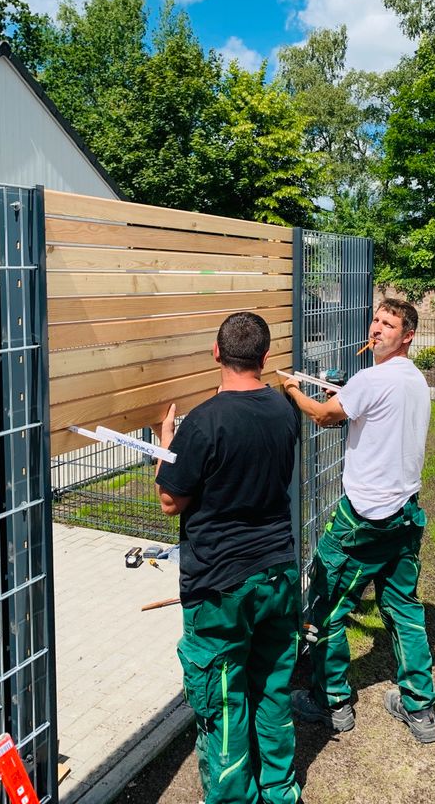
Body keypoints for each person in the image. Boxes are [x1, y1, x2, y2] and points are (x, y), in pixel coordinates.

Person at [154, 311, 303, 804]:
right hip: (278, 575)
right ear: (264, 358)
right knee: (273, 686)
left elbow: (170, 500)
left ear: (216, 353)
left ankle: (234, 798)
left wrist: (167, 448)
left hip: (220, 589)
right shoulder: (285, 410)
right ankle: (280, 789)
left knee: (222, 699)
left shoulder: (202, 422)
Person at [283, 297, 435, 744]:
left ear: (407, 335)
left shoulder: (373, 378)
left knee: (326, 608)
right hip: (405, 515)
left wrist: (293, 389)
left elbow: (321, 415)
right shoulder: (414, 380)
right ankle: (419, 706)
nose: (376, 329)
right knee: (405, 609)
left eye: (387, 324)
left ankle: (330, 701)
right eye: (374, 320)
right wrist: (345, 399)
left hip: (364, 519)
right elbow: (363, 417)